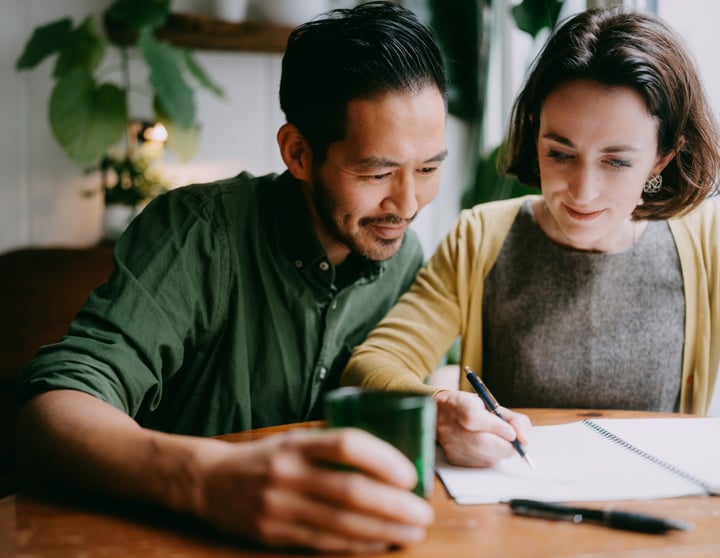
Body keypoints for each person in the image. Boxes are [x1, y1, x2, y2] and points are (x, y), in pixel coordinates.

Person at [15, 2, 447, 553]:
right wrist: (208, 479)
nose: (408, 204)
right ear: (298, 152)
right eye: (377, 171)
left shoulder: (402, 258)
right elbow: (51, 410)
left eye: (430, 169)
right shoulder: (199, 234)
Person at [343, 7, 720, 469]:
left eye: (616, 161)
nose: (582, 192)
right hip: (511, 510)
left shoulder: (707, 244)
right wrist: (441, 408)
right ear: (533, 135)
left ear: (662, 158)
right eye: (560, 153)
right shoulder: (481, 237)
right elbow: (372, 364)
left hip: (661, 524)